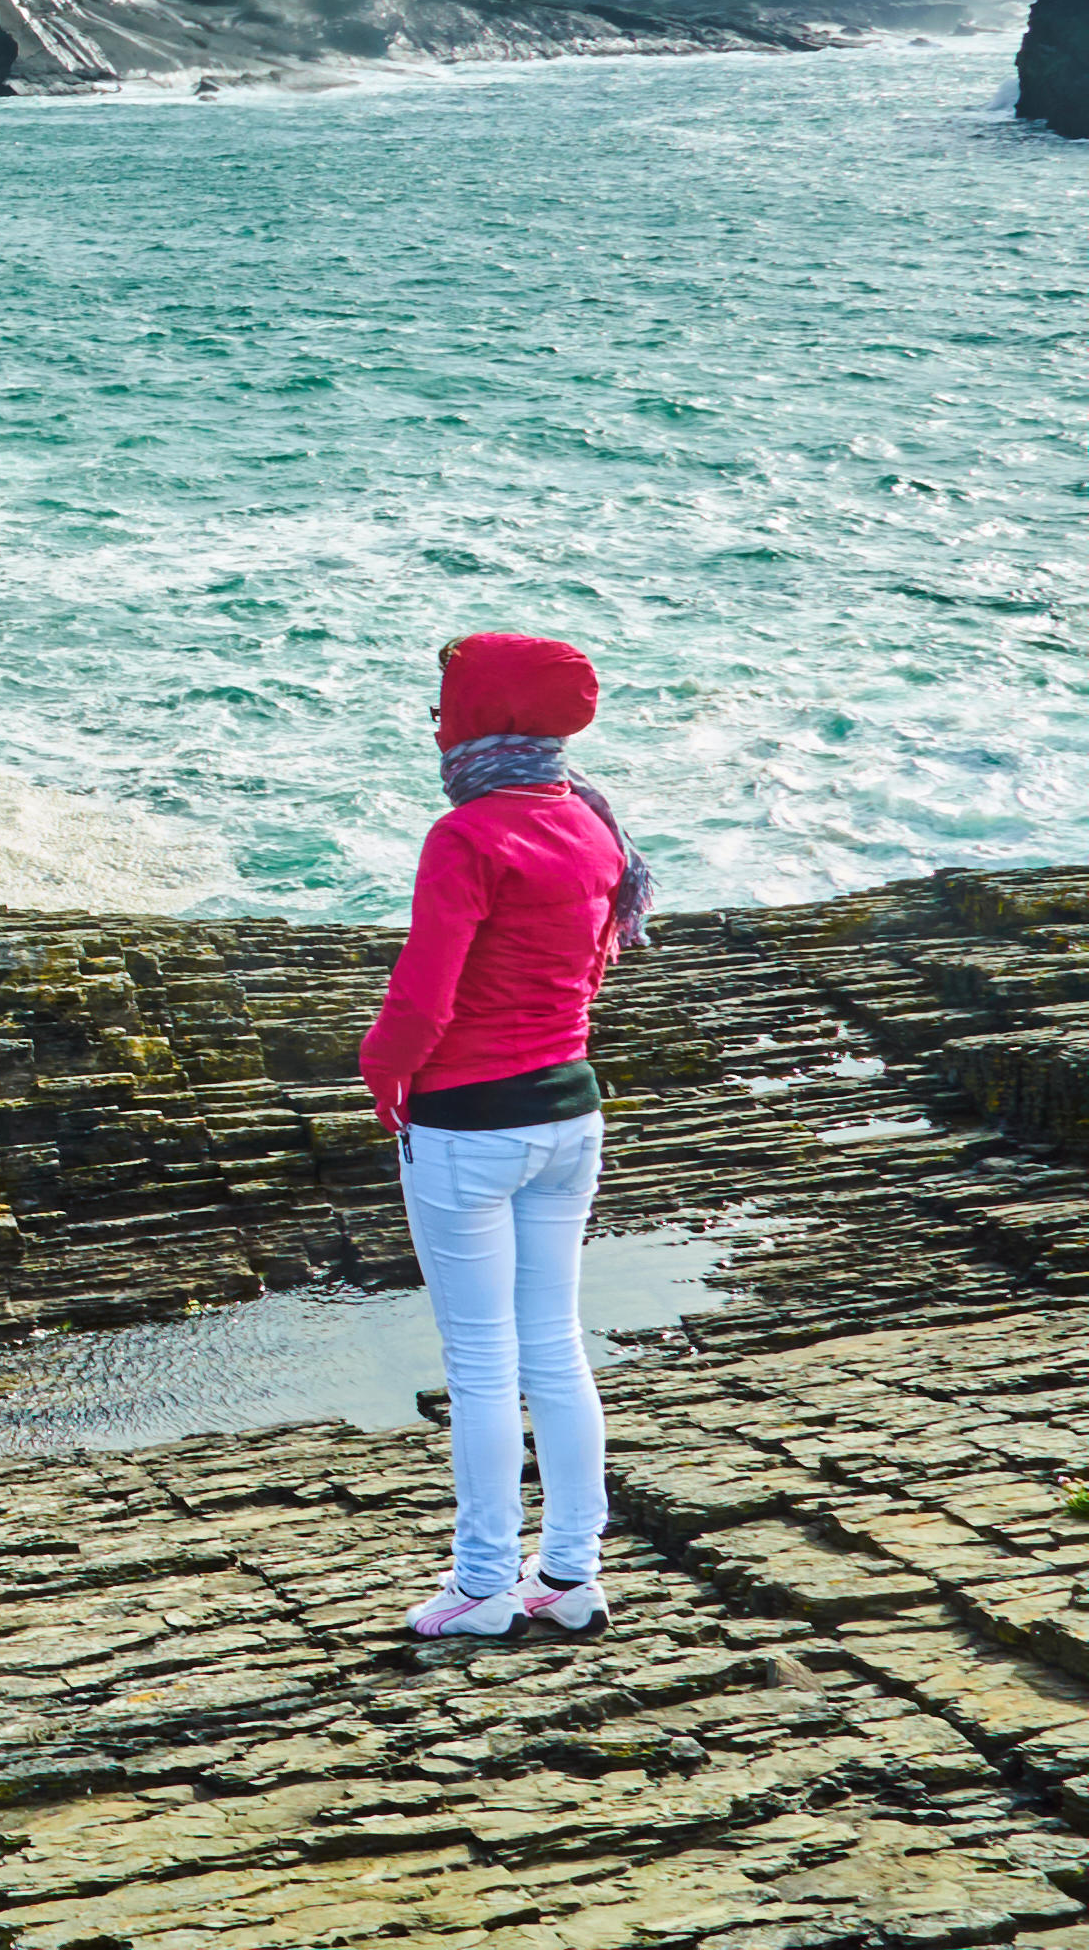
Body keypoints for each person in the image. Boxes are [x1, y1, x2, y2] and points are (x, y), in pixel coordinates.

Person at [356, 630, 658, 1640]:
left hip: (469, 1128)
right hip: (570, 1114)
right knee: (554, 1350)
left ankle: (483, 1585)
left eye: (445, 698)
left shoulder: (468, 835)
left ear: (481, 716)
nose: (434, 719)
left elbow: (422, 999)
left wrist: (379, 1070)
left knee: (482, 1363)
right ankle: (569, 1573)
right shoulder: (592, 819)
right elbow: (589, 973)